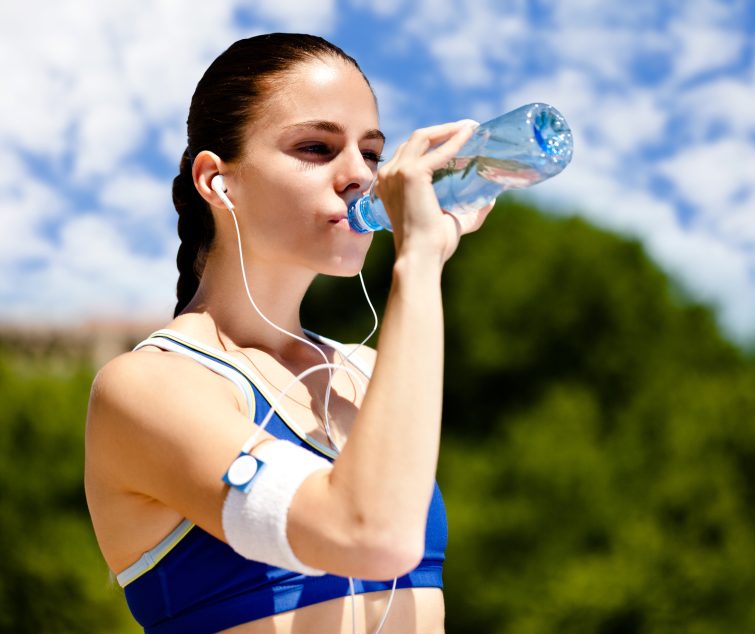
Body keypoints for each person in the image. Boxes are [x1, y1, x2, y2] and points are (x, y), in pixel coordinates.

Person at [84, 33, 492, 633]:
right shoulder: (146, 388)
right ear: (218, 182)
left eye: (372, 153)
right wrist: (419, 261)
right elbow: (367, 536)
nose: (359, 176)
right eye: (316, 147)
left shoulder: (368, 370)